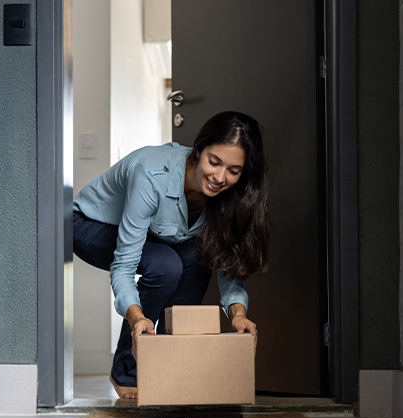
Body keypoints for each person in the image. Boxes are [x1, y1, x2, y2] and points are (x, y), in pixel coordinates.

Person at [72, 111, 269, 399]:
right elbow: (125, 265)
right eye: (214, 162)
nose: (219, 177)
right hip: (90, 225)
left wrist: (239, 315)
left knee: (201, 256)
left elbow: (228, 262)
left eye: (233, 171)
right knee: (166, 265)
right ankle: (128, 368)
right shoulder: (152, 175)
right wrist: (138, 318)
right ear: (198, 150)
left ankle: (166, 361)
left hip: (152, 236)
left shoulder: (232, 195)